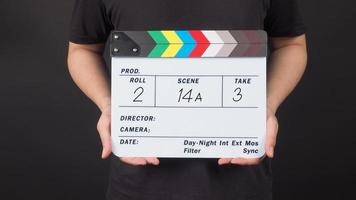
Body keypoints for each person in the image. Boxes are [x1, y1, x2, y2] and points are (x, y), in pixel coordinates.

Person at [67, 0, 307, 199]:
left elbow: (291, 44)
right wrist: (109, 105)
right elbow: (82, 49)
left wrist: (266, 105)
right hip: (137, 185)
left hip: (241, 184)